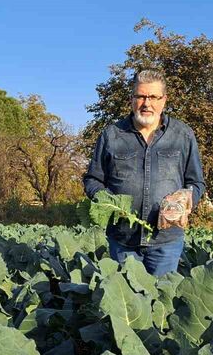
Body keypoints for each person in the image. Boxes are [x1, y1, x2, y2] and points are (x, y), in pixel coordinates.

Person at [83, 69, 205, 275]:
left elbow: (197, 182)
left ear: (164, 100)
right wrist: (109, 203)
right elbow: (93, 179)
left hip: (166, 241)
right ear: (132, 99)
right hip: (123, 240)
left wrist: (187, 197)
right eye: (140, 96)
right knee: (129, 302)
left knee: (161, 300)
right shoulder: (112, 135)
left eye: (154, 97)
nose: (147, 103)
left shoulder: (182, 135)